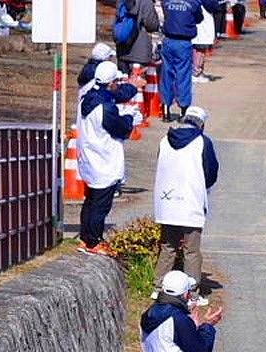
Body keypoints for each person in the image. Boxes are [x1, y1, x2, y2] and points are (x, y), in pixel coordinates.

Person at [153, 106, 219, 299]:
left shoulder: (165, 140)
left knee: (168, 246)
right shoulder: (202, 142)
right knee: (191, 250)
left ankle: (158, 287)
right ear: (202, 124)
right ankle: (191, 292)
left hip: (166, 203)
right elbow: (211, 171)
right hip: (190, 203)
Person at [76, 61, 141, 257]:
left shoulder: (86, 97)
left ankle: (85, 237)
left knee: (91, 200)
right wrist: (131, 117)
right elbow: (119, 127)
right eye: (116, 82)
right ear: (111, 83)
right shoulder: (104, 107)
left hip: (89, 156)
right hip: (103, 159)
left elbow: (116, 97)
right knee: (100, 205)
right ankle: (94, 241)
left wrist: (130, 87)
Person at [161, 0, 219, 122]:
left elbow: (165, 13)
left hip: (168, 40)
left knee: (167, 75)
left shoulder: (167, 2)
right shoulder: (193, 3)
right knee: (183, 76)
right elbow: (199, 18)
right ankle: (183, 108)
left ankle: (165, 108)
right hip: (184, 41)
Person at [115, 0, 160, 75]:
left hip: (122, 49)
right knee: (137, 83)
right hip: (140, 52)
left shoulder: (121, 1)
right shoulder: (146, 2)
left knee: (123, 81)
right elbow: (151, 25)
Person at [191, 4, 216, 83]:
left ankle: (199, 71)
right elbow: (213, 6)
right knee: (199, 48)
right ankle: (196, 72)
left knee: (202, 49)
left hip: (204, 21)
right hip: (202, 22)